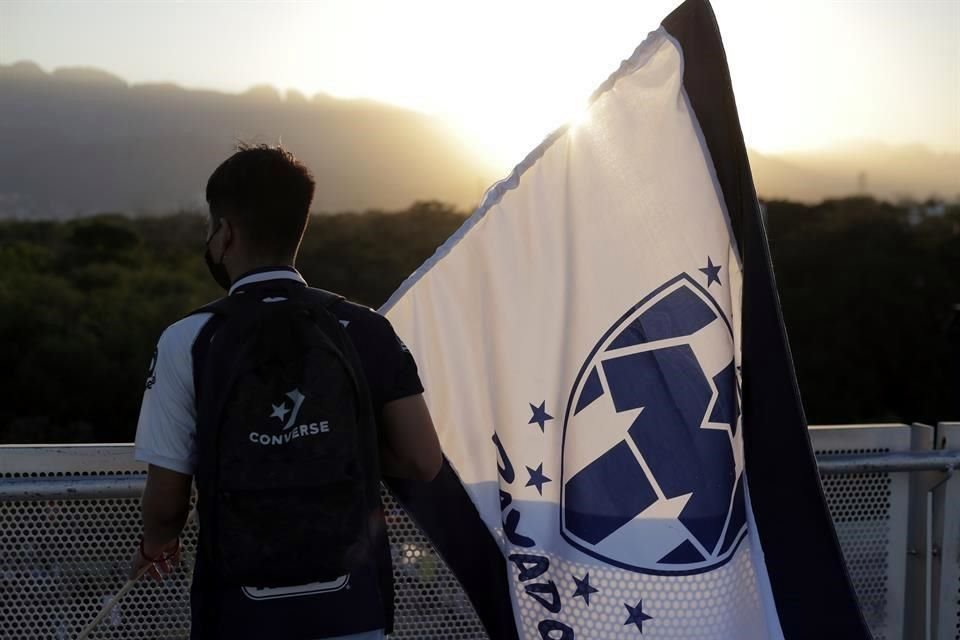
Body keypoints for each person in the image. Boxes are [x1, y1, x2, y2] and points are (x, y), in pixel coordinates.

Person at [130, 143, 443, 640]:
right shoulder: (364, 328)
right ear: (299, 227)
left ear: (224, 233)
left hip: (236, 615)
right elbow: (423, 460)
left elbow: (167, 499)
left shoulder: (188, 340)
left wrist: (154, 546)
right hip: (354, 607)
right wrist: (335, 442)